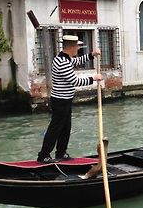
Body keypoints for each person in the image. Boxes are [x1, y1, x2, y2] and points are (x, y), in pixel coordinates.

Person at [37, 35, 102, 163]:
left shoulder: (65, 58)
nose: (78, 49)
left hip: (65, 100)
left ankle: (61, 153)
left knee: (66, 128)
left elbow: (77, 61)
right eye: (77, 46)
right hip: (60, 101)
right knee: (55, 128)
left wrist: (91, 55)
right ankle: (43, 155)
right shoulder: (62, 62)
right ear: (72, 47)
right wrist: (93, 78)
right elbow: (75, 81)